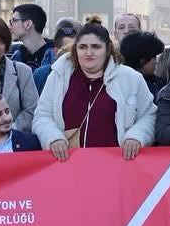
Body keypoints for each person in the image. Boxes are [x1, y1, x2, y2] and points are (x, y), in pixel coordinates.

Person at [33, 17, 156, 161]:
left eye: (96, 47)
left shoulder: (131, 78)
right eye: (82, 47)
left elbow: (149, 115)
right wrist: (53, 138)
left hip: (115, 165)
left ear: (108, 49)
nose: (89, 52)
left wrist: (135, 136)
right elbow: (42, 115)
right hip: (67, 165)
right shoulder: (58, 75)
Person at [33, 18, 80, 92]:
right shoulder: (41, 75)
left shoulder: (88, 75)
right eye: (67, 50)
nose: (73, 55)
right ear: (56, 51)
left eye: (77, 49)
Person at [119, 31, 166, 96]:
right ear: (142, 60)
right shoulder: (127, 86)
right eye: (154, 57)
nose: (156, 62)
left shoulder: (158, 82)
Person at [9, 4, 53, 71]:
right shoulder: (18, 55)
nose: (9, 27)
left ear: (28, 24)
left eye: (13, 21)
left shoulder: (54, 57)